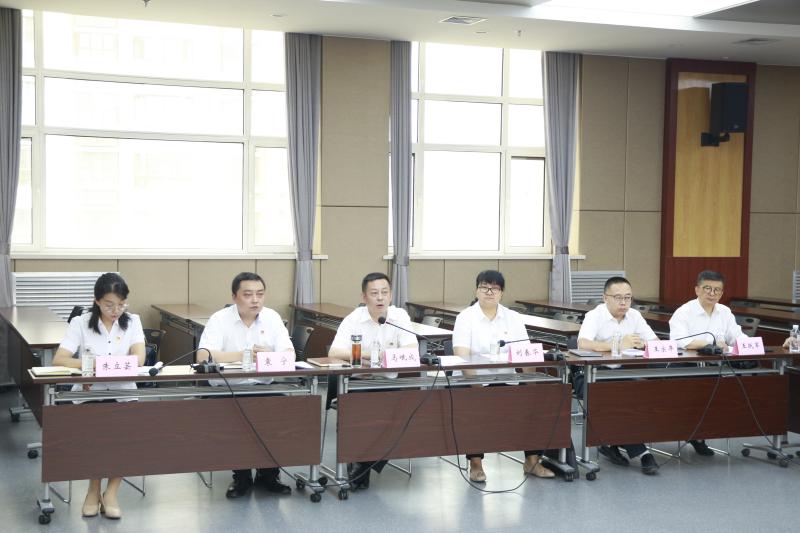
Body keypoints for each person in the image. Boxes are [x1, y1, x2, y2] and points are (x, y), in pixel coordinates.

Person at [52, 273, 146, 519]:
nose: (116, 311)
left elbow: (139, 358)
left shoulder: (133, 321)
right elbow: (60, 359)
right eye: (109, 305)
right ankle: (93, 490)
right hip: (89, 394)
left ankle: (111, 493)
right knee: (94, 442)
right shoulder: (81, 323)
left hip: (123, 393)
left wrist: (100, 365)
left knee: (123, 444)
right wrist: (93, 365)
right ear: (96, 301)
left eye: (121, 304)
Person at [196, 272, 294, 499]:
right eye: (248, 295)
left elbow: (289, 354)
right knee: (233, 418)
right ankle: (241, 477)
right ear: (234, 297)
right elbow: (202, 356)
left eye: (260, 294)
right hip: (228, 389)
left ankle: (269, 474)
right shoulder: (220, 319)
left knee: (285, 410)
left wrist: (271, 355)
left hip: (262, 388)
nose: (255, 300)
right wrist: (244, 354)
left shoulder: (272, 318)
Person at [452, 270, 555, 483]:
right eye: (484, 287)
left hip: (506, 379)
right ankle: (476, 463)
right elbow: (462, 356)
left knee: (534, 403)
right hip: (472, 381)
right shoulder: (465, 317)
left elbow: (526, 354)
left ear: (502, 292)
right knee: (473, 408)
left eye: (495, 288)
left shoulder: (513, 318)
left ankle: (532, 461)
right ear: (476, 290)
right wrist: (476, 386)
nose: (489, 292)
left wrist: (530, 387)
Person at [328, 272, 418, 489]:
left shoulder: (399, 317)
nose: (380, 298)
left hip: (388, 384)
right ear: (364, 296)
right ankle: (359, 465)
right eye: (374, 293)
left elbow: (412, 349)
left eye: (384, 292)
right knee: (360, 414)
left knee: (404, 414)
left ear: (391, 295)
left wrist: (385, 357)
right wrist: (369, 356)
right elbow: (334, 351)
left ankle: (362, 464)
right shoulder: (354, 318)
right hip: (358, 383)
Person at [577, 276, 660, 475]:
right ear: (605, 297)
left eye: (628, 298)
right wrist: (617, 345)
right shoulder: (595, 315)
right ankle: (642, 453)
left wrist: (643, 344)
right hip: (591, 375)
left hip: (622, 374)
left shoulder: (634, 316)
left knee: (641, 395)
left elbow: (656, 342)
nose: (624, 303)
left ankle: (611, 442)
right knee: (620, 397)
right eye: (618, 298)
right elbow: (583, 344)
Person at [669, 270, 745, 457]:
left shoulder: (724, 312)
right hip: (686, 368)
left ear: (722, 293)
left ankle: (701, 434)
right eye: (707, 288)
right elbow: (679, 341)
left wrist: (750, 344)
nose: (712, 293)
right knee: (696, 397)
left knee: (732, 395)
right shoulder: (684, 312)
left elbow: (737, 336)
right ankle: (695, 434)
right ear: (697, 289)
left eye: (717, 290)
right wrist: (709, 345)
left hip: (715, 369)